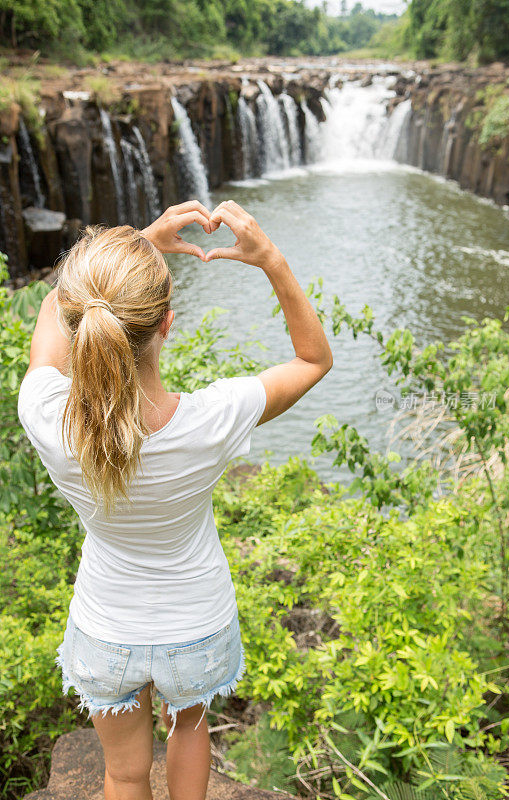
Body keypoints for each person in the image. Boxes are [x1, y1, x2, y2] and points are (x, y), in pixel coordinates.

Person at [17, 199, 333, 800]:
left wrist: (136, 247)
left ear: (83, 321)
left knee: (124, 774)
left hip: (104, 629)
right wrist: (270, 259)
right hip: (197, 622)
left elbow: (56, 320)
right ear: (167, 323)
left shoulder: (47, 415)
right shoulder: (212, 419)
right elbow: (313, 358)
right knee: (190, 727)